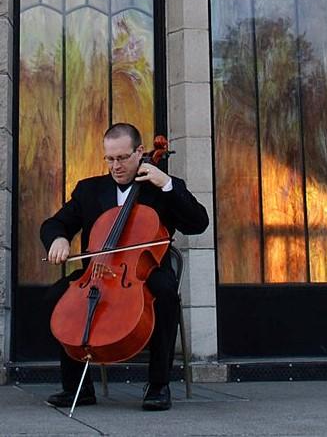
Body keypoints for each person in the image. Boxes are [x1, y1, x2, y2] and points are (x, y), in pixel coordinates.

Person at [40, 123, 209, 411]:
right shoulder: (89, 190)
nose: (115, 166)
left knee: (166, 293)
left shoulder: (162, 188)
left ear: (140, 152)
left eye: (122, 158)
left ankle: (158, 385)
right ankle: (77, 388)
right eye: (109, 159)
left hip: (145, 272)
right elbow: (55, 223)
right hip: (97, 273)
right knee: (57, 296)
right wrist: (58, 239)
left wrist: (167, 184)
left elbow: (198, 223)